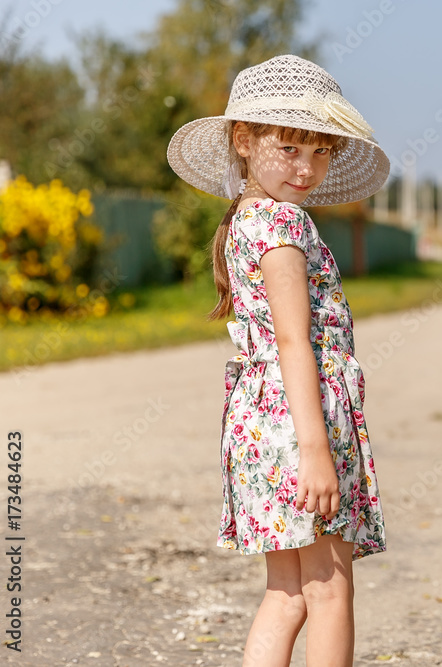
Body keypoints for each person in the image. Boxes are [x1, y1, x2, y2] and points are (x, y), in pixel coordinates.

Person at [166, 54, 391, 667]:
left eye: (321, 152)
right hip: (300, 423)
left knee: (289, 593)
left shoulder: (247, 219)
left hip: (265, 423)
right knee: (330, 587)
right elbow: (295, 342)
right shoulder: (284, 225)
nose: (307, 167)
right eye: (290, 147)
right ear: (244, 140)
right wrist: (316, 450)